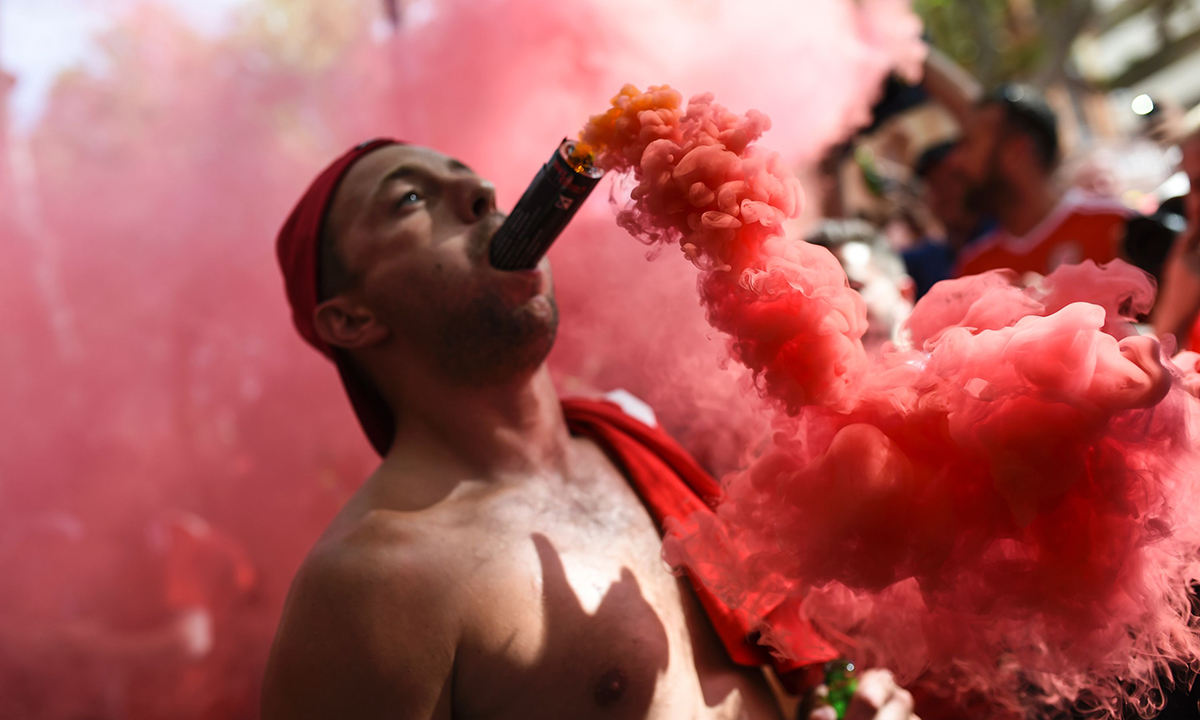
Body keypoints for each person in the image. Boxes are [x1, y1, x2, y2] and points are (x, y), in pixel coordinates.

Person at [261, 140, 923, 719]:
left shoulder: (628, 436)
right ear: (350, 320)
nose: (482, 192)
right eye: (410, 199)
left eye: (469, 177)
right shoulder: (371, 584)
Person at [945, 84, 1131, 279]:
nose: (954, 161)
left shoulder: (1115, 229)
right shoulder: (973, 270)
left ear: (1017, 150)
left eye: (968, 144)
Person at [806, 219, 914, 353]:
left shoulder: (937, 365)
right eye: (817, 296)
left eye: (854, 288)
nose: (836, 309)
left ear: (904, 294)